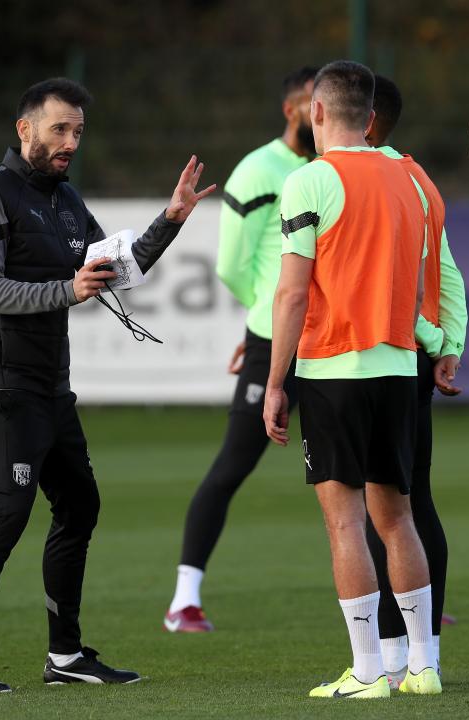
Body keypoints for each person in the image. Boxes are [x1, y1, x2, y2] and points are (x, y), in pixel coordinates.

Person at [0, 77, 215, 693]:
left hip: (49, 384)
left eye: (78, 132)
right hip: (2, 380)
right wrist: (67, 289)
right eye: (60, 128)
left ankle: (65, 656)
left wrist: (170, 220)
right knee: (8, 512)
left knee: (79, 504)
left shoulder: (63, 199)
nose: (70, 142)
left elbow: (114, 269)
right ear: (24, 129)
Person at [264, 60, 441, 699]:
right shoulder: (410, 180)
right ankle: (422, 667)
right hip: (398, 367)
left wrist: (276, 381)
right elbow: (431, 276)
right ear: (370, 119)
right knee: (397, 517)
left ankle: (368, 671)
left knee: (345, 523)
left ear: (315, 113)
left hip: (333, 369)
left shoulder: (309, 180)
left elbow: (290, 294)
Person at [164, 67, 317, 633]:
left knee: (369, 470)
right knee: (233, 463)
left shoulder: (335, 167)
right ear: (291, 109)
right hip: (275, 338)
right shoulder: (259, 169)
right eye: (308, 103)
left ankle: (411, 597)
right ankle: (184, 599)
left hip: (330, 340)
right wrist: (266, 316)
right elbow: (231, 264)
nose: (317, 114)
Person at [363, 75, 467, 689]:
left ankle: (389, 653)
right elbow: (445, 268)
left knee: (374, 508)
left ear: (365, 120)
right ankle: (418, 651)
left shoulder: (352, 178)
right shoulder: (419, 178)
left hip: (370, 358)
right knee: (410, 501)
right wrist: (447, 343)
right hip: (414, 361)